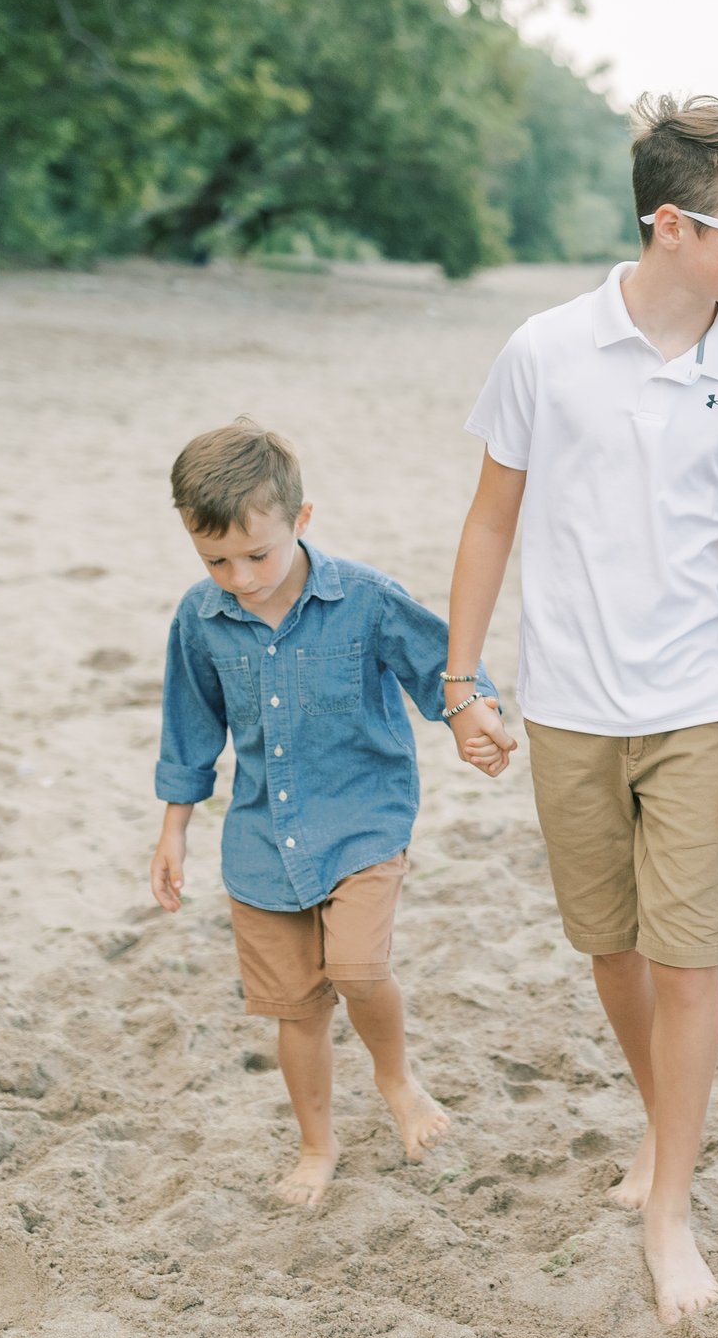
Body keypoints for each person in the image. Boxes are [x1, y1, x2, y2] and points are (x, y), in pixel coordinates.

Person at [442, 95, 718, 1325]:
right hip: (567, 706)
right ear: (671, 224)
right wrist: (463, 678)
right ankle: (666, 1129)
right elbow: (491, 518)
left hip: (697, 705)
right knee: (608, 944)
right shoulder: (545, 350)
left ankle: (671, 1208)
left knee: (690, 959)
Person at [147, 418, 498, 1208]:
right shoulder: (199, 621)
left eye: (257, 553)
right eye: (215, 560)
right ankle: (317, 1143)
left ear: (302, 521)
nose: (239, 576)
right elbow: (190, 730)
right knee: (295, 1010)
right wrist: (174, 831)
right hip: (262, 840)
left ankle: (397, 1077)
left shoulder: (364, 599)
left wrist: (474, 715)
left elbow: (441, 667)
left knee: (359, 967)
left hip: (364, 821)